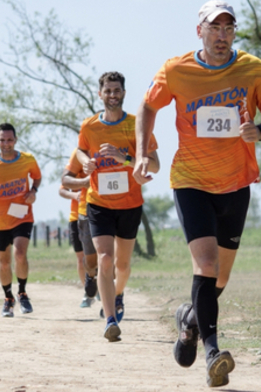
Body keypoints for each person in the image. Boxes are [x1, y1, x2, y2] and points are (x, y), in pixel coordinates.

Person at [134, 0, 261, 387]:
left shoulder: (255, 69)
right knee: (207, 266)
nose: (222, 35)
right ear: (198, 30)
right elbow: (147, 108)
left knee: (219, 280)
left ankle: (188, 321)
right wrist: (142, 152)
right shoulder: (176, 70)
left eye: (228, 28)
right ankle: (213, 353)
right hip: (191, 181)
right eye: (214, 28)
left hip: (236, 184)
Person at [77, 71, 160, 342]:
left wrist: (125, 157)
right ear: (100, 94)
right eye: (107, 90)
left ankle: (119, 294)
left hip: (129, 203)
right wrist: (85, 161)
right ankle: (110, 318)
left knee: (122, 266)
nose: (112, 95)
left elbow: (155, 164)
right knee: (105, 258)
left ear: (123, 93)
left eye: (117, 90)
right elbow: (80, 150)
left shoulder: (137, 126)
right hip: (99, 203)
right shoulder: (89, 126)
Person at [0, 123, 41, 318]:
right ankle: (8, 298)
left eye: (10, 140)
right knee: (4, 263)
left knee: (20, 254)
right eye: (2, 140)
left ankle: (22, 293)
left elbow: (37, 177)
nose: (6, 143)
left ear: (15, 140)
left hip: (22, 215)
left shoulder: (27, 159)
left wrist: (33, 191)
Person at [60, 148, 98, 308]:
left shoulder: (102, 156)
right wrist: (74, 195)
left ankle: (101, 289)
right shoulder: (74, 164)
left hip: (96, 212)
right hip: (76, 216)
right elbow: (61, 189)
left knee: (98, 256)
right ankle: (88, 291)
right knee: (81, 257)